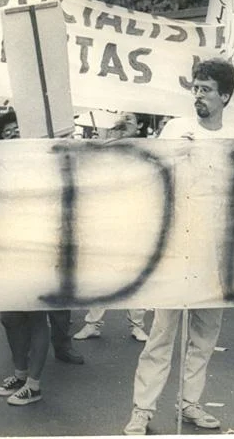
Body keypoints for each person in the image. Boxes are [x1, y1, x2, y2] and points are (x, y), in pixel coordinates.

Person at [124, 58, 234, 435]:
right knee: (162, 334)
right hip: (178, 245)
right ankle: (142, 410)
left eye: (206, 90)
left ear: (224, 96)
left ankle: (190, 402)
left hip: (216, 250)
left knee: (205, 334)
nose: (198, 95)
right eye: (195, 88)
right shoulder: (177, 128)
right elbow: (156, 174)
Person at [73, 112, 150, 344]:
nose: (124, 122)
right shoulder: (105, 148)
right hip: (109, 222)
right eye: (121, 118)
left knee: (136, 277)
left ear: (140, 126)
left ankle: (137, 325)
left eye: (130, 119)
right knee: (101, 276)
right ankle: (92, 324)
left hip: (136, 222)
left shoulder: (147, 149)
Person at [0, 111, 50, 405]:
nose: (12, 134)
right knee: (10, 316)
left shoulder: (40, 164)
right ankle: (21, 372)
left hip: (36, 247)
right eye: (7, 131)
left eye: (17, 129)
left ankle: (34, 384)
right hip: (6, 249)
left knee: (36, 315)